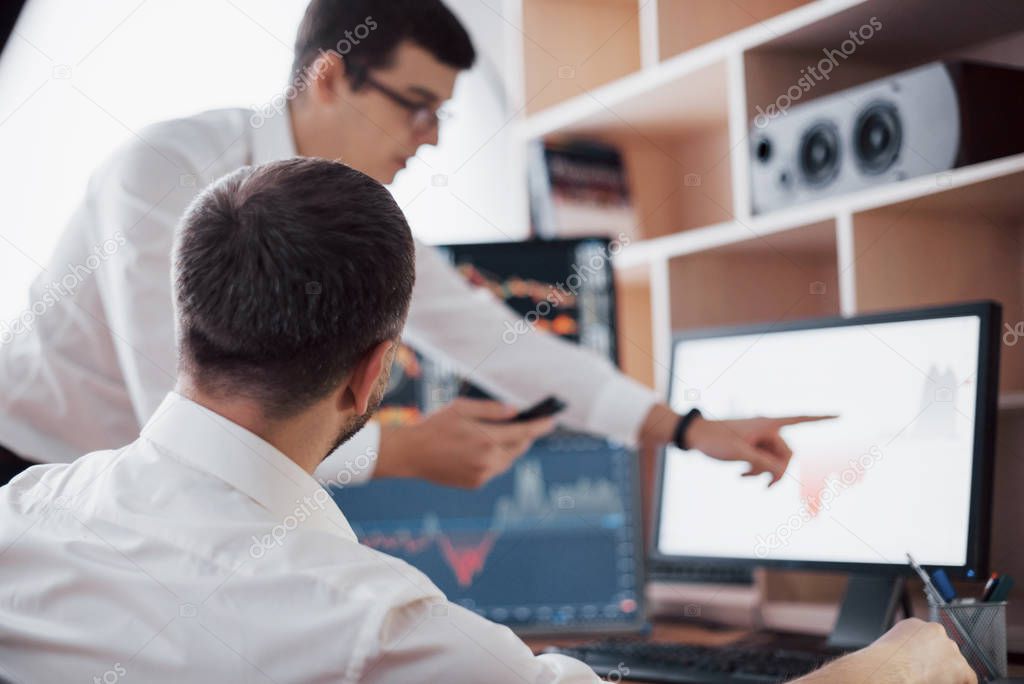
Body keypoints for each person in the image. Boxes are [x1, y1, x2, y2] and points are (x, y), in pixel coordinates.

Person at [0, 158, 976, 684]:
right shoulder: (378, 634)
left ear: (185, 325)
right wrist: (903, 665)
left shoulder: (24, 515)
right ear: (375, 373)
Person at [0, 0, 825, 489]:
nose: (430, 139)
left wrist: (684, 428)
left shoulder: (338, 215)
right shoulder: (164, 172)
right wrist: (399, 453)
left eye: (443, 115)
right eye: (415, 106)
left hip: (155, 495)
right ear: (328, 78)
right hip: (30, 473)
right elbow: (183, 424)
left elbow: (494, 339)